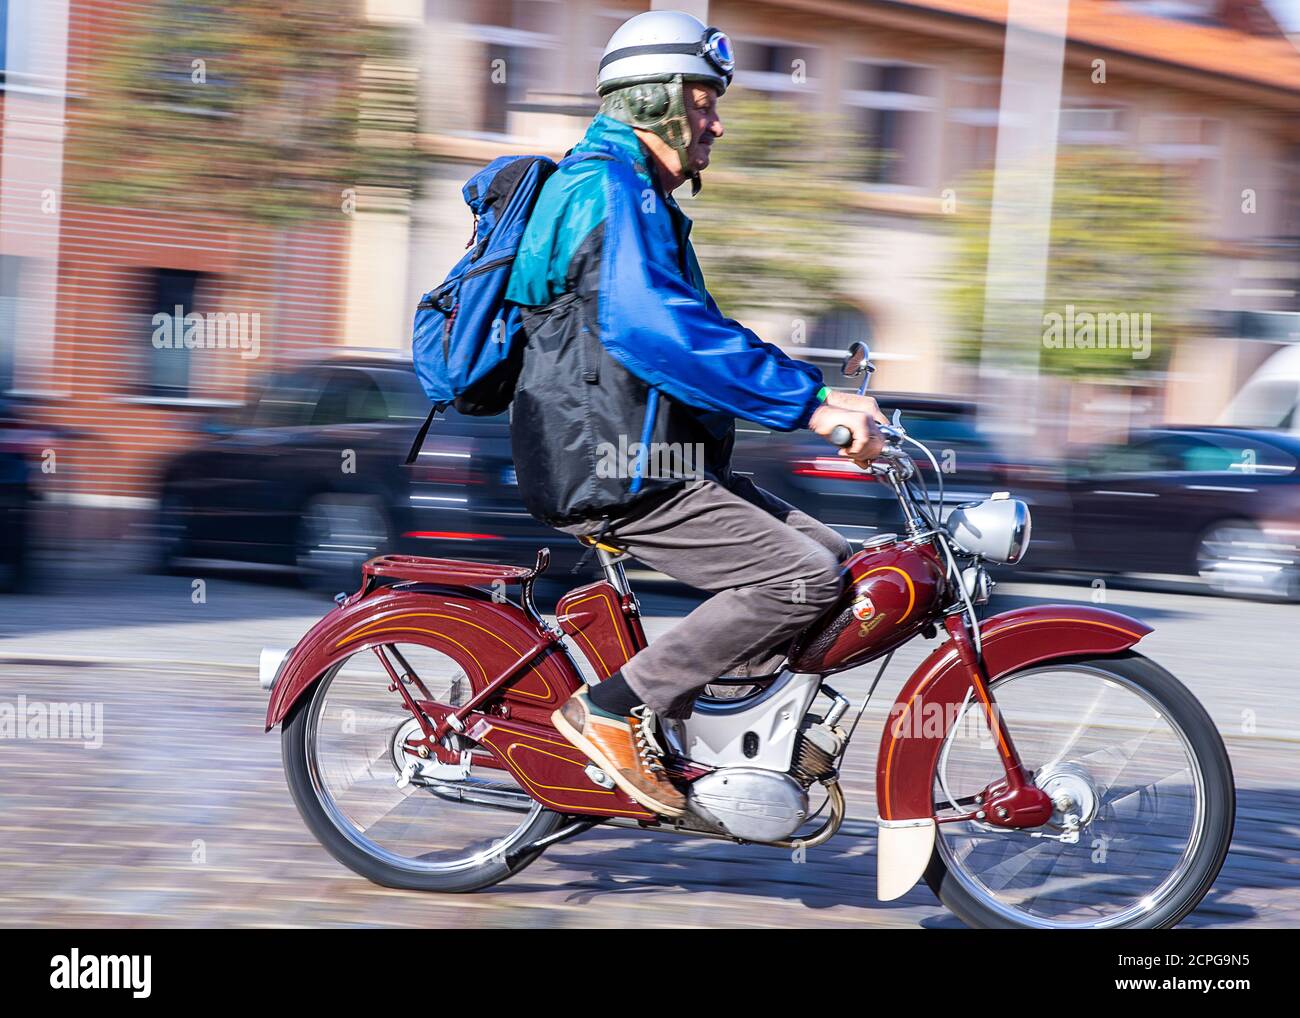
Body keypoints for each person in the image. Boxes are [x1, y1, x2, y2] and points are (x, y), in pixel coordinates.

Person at [504, 9, 886, 818]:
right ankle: (615, 709)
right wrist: (810, 407)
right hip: (614, 466)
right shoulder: (606, 188)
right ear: (653, 100)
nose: (716, 121)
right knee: (799, 576)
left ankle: (727, 736)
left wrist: (815, 387)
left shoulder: (632, 194)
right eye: (704, 99)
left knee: (831, 557)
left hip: (653, 459)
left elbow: (699, 329)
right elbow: (658, 333)